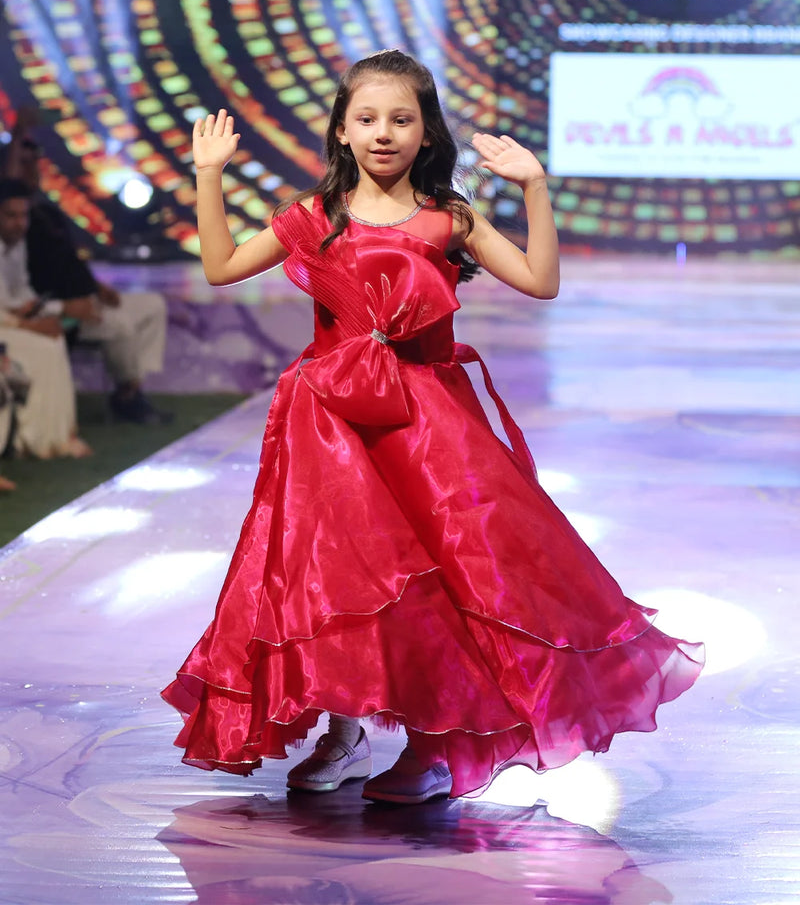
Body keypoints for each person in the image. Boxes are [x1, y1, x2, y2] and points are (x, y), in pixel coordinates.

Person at [162, 50, 703, 804]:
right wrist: (207, 175)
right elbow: (221, 266)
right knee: (336, 577)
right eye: (366, 119)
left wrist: (536, 188)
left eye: (400, 119)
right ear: (342, 130)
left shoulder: (450, 218)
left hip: (429, 427)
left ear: (425, 132)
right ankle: (344, 734)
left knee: (445, 580)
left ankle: (435, 746)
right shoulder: (314, 216)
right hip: (332, 429)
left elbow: (541, 280)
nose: (383, 133)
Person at [1, 110, 171, 425]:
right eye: (23, 163)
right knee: (120, 325)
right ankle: (128, 396)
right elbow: (20, 298)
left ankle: (132, 387)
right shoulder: (13, 225)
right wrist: (64, 307)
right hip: (52, 309)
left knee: (152, 305)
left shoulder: (43, 215)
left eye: (35, 162)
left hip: (73, 301)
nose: (32, 169)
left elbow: (68, 263)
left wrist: (96, 287)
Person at [0, 179, 91, 458]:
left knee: (54, 340)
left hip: (10, 323)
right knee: (43, 347)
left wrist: (43, 311)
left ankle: (58, 435)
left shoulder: (15, 245)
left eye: (23, 215)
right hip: (6, 328)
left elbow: (20, 293)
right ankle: (31, 440)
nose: (19, 223)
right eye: (11, 215)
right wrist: (29, 324)